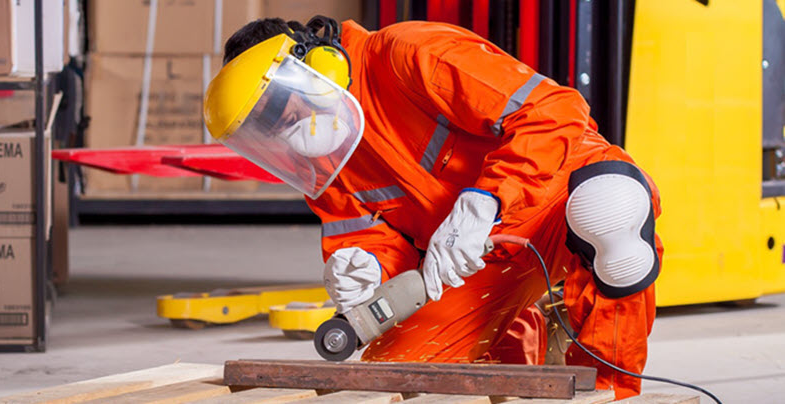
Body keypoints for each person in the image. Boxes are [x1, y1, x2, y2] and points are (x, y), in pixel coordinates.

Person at [204, 16, 663, 400]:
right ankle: (530, 342)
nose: (288, 131)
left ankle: (608, 390)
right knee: (398, 380)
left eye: (284, 109)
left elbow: (555, 111)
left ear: (317, 65)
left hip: (554, 199)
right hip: (474, 262)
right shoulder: (323, 156)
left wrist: (487, 197)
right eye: (269, 127)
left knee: (611, 210)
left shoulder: (409, 52)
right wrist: (362, 268)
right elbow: (368, 235)